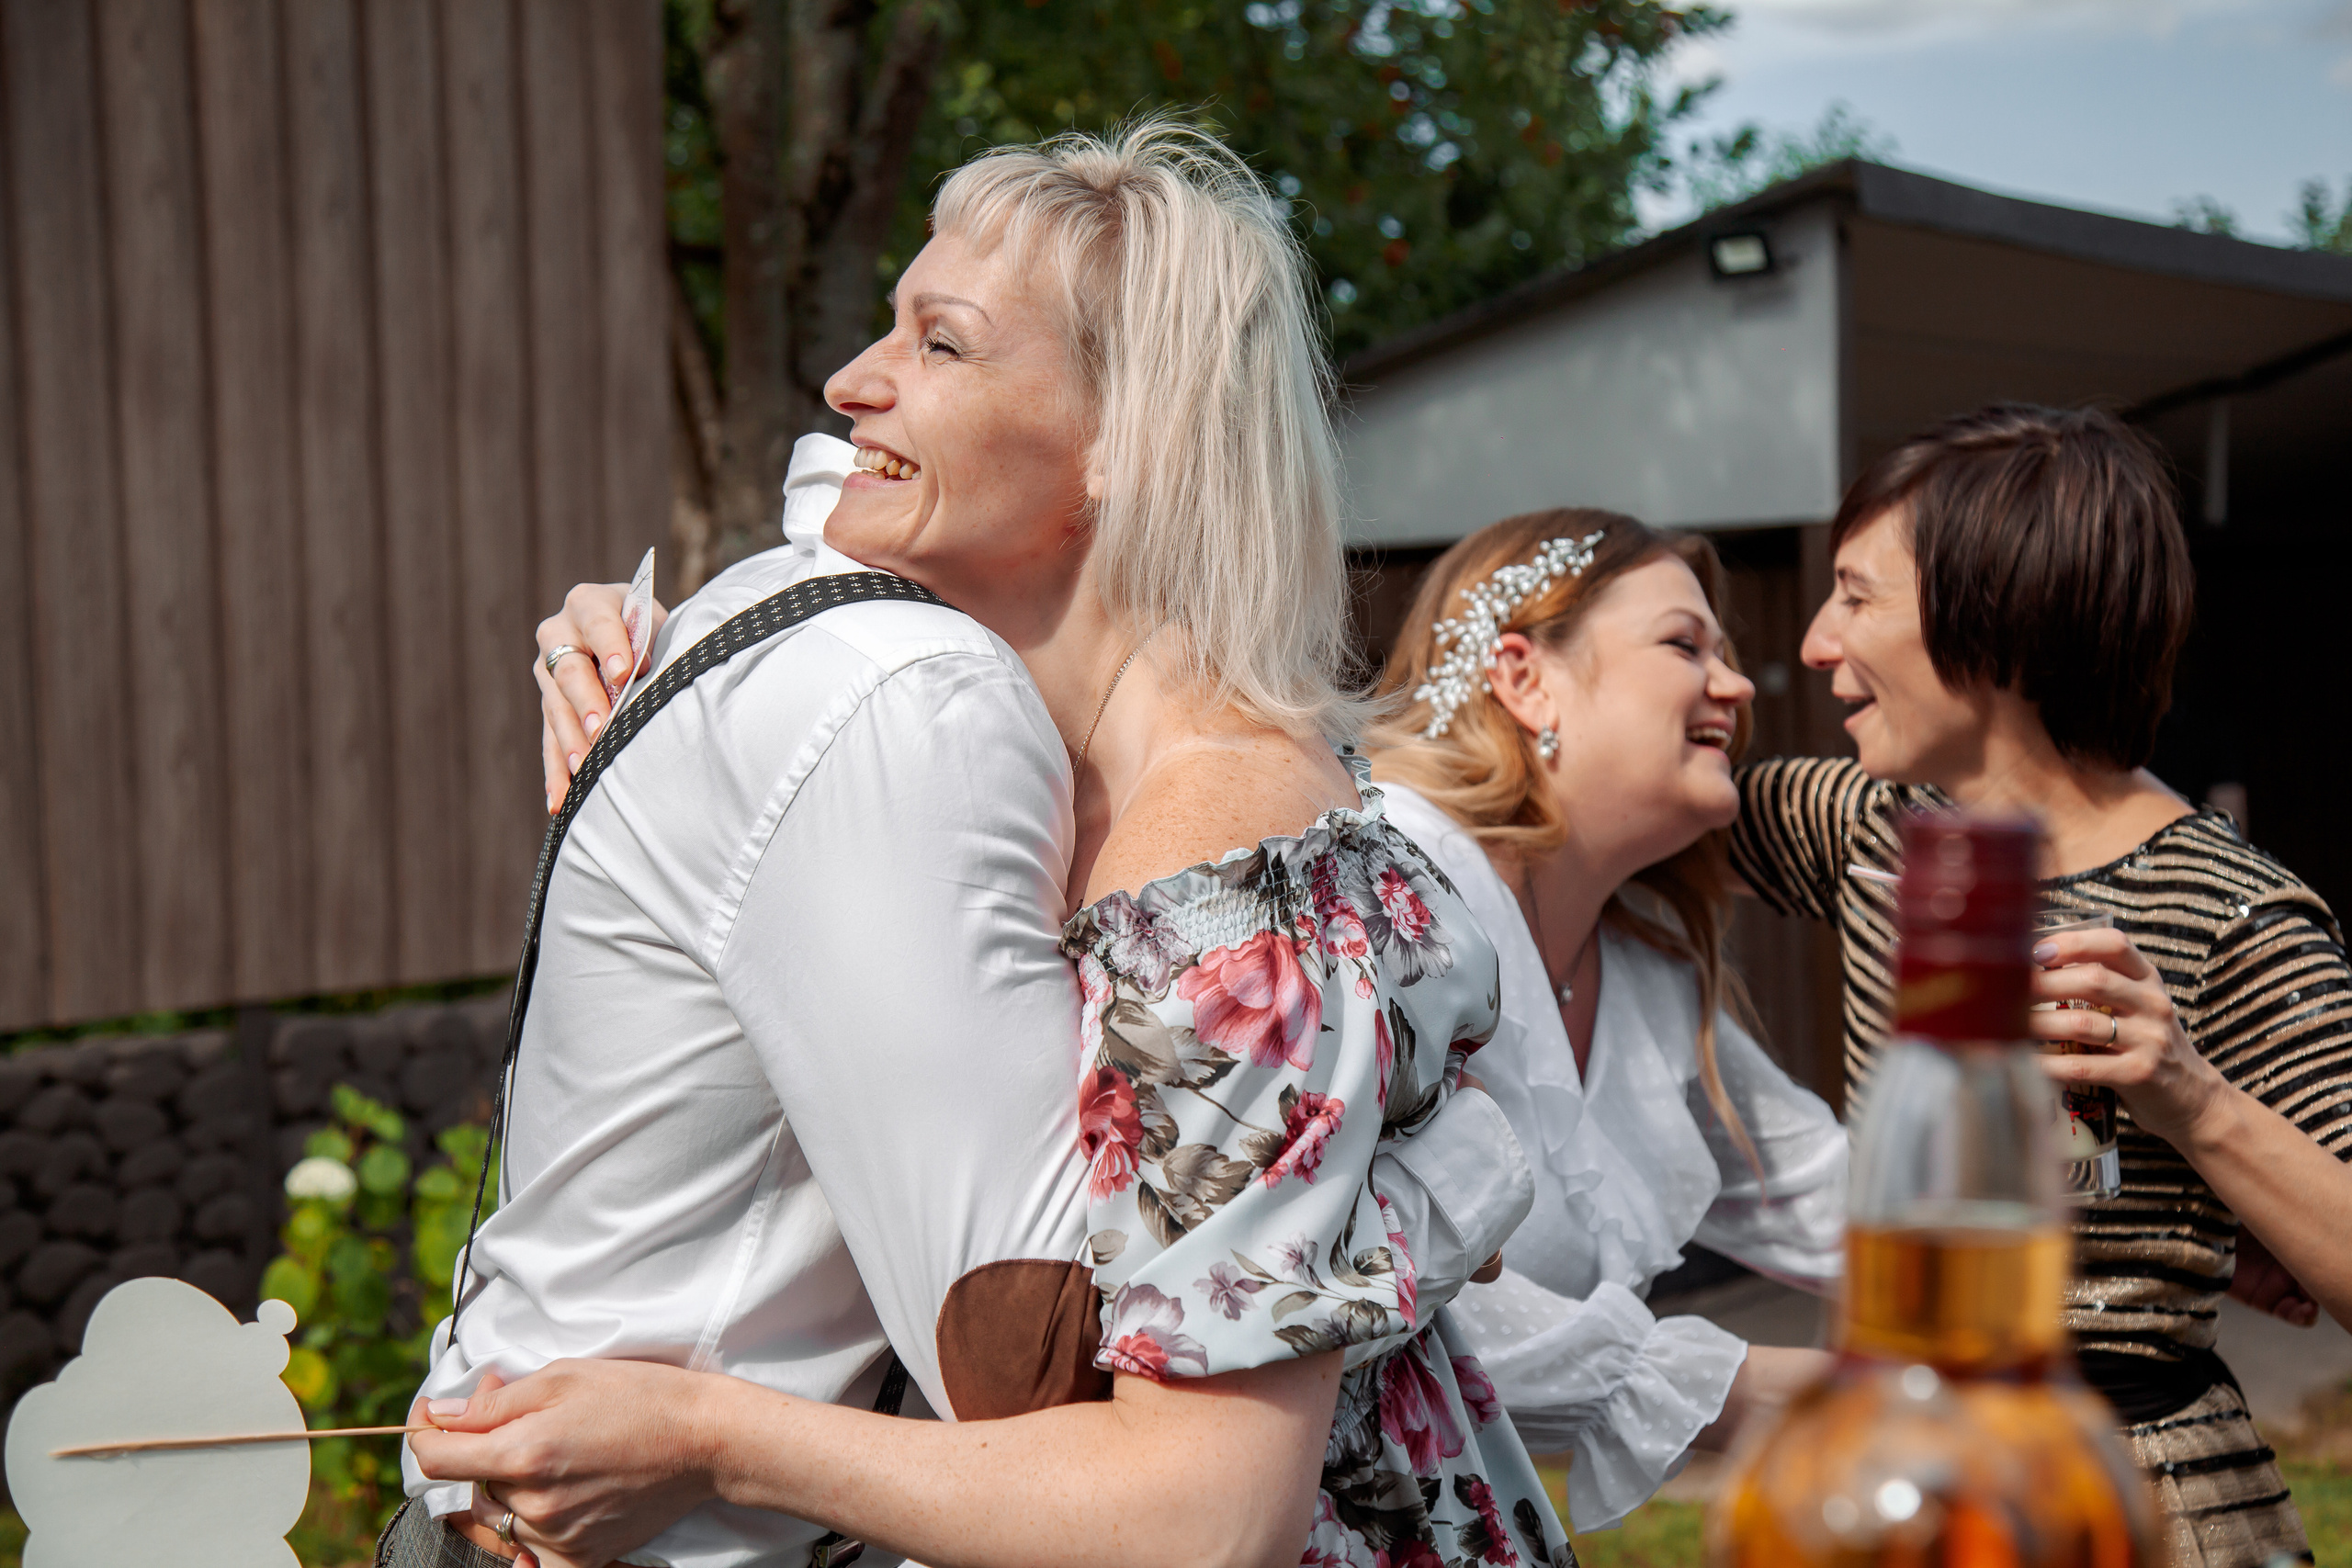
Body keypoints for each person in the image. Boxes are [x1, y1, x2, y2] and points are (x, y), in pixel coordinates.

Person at [403, 122, 1569, 1568]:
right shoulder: (1026, 754)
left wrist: (710, 1434)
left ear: (1128, 438)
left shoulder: (1215, 860)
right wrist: (663, 660)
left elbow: (1202, 1512)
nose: (850, 380)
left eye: (939, 342)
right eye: (889, 322)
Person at [1731, 402, 2352, 1568]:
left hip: (2148, 1507)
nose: (1813, 643)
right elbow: (1613, 805)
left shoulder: (2238, 913)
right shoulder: (1870, 828)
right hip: (1900, 1484)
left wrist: (2194, 1104)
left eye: (1855, 596)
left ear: (2000, 614)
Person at [1364, 510, 1846, 1532]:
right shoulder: (1395, 881)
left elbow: (1838, 1201)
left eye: (1726, 653)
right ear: (1524, 677)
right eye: (1684, 645)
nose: (1737, 685)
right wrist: (1764, 1391)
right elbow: (1379, 1278)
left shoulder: (1644, 966)